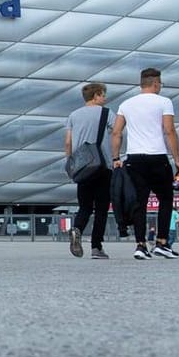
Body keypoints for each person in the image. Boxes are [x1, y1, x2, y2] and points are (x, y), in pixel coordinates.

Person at [110, 67, 179, 260]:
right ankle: (161, 242)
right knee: (166, 199)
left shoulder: (126, 104)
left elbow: (116, 132)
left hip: (134, 159)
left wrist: (116, 158)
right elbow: (169, 131)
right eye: (160, 83)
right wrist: (176, 159)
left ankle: (140, 245)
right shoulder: (164, 102)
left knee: (139, 203)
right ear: (155, 83)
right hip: (157, 157)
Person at [64, 82, 114, 259]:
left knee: (84, 206)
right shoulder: (107, 113)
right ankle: (96, 248)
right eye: (103, 95)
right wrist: (116, 157)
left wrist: (71, 162)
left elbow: (68, 142)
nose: (105, 98)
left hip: (83, 167)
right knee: (101, 208)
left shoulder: (73, 115)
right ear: (96, 96)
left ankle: (77, 228)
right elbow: (116, 134)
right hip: (102, 166)